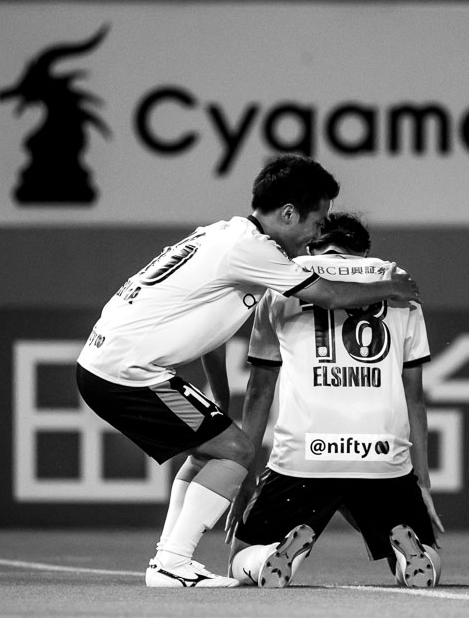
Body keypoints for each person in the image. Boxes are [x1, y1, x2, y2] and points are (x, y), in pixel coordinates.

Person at [76, 155, 421, 587]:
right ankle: (170, 563)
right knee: (237, 450)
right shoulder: (255, 251)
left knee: (211, 449)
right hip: (127, 374)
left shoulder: (224, 235)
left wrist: (219, 402)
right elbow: (329, 295)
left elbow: (210, 332)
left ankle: (169, 558)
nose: (317, 235)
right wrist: (390, 286)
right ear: (289, 214)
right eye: (317, 221)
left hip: (110, 364)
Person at [226, 212, 444, 588]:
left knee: (240, 558)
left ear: (314, 243)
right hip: (381, 457)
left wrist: (245, 477)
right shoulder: (397, 282)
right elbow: (415, 398)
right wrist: (421, 481)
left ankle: (269, 558)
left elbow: (259, 390)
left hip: (304, 457)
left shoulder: (285, 279)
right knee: (428, 554)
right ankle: (409, 555)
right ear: (364, 251)